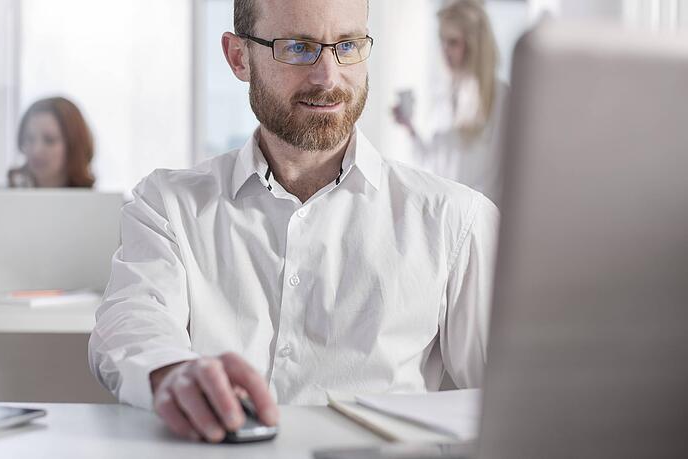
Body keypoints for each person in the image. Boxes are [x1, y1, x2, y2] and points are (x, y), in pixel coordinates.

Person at [89, 0, 499, 444]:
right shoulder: (168, 205)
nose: (328, 76)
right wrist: (170, 372)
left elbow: (517, 392)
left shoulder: (455, 221)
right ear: (238, 57)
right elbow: (132, 319)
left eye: (346, 45)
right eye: (299, 48)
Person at [393, 0, 508, 207]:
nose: (444, 50)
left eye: (453, 42)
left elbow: (498, 174)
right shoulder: (445, 95)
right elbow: (433, 165)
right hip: (446, 213)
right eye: (442, 41)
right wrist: (409, 128)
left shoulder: (500, 97)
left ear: (475, 46)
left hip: (481, 218)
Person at [7, 97, 95, 188]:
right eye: (29, 139)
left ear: (73, 145)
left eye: (50, 140)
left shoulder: (94, 200)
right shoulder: (2, 197)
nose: (36, 150)